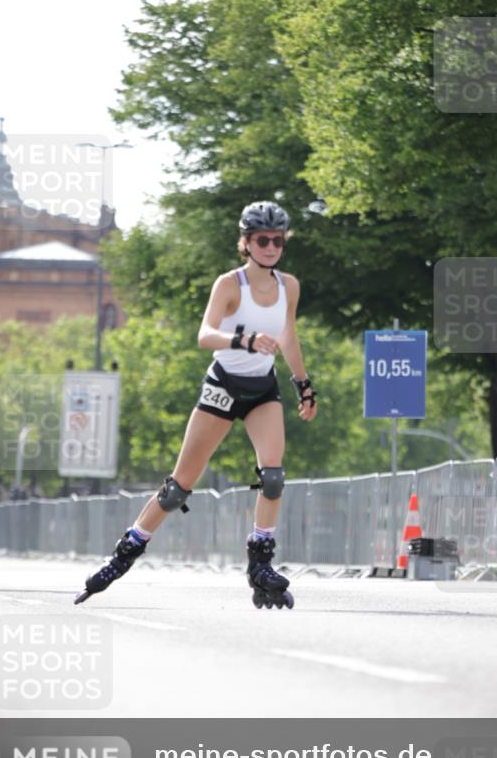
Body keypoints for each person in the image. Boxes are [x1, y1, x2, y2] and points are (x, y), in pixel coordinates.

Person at [74, 201, 317, 609]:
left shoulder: (288, 286)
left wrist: (303, 384)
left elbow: (288, 335)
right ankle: (124, 554)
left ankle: (260, 561)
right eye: (263, 239)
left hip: (262, 389)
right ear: (246, 243)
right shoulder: (230, 285)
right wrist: (243, 340)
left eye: (278, 240)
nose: (271, 247)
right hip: (222, 388)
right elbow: (205, 335)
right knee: (178, 487)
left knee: (273, 477)